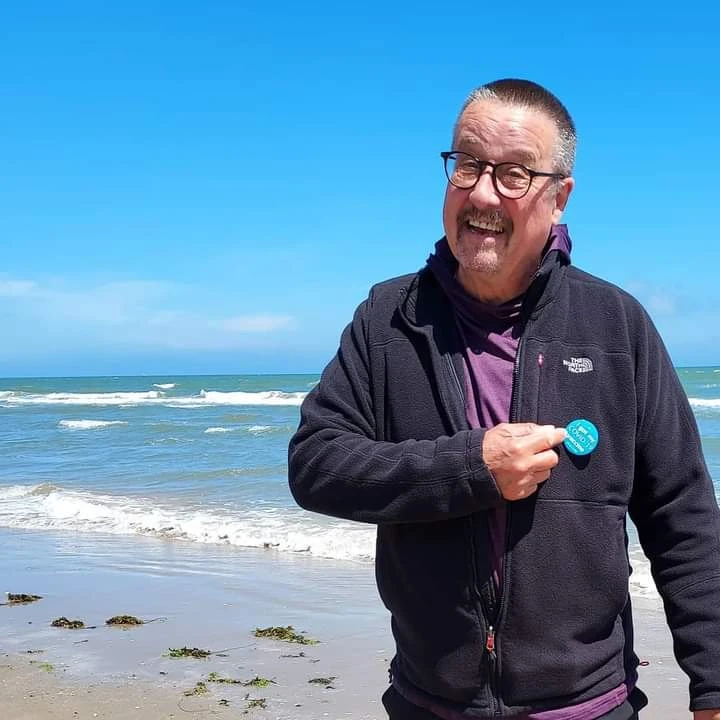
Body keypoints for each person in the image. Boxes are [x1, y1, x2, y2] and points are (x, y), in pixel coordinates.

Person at [287, 79, 720, 719]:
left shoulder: (615, 325)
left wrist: (713, 687)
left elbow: (682, 516)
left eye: (514, 174)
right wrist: (472, 468)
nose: (483, 193)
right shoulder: (389, 319)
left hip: (589, 704)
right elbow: (316, 465)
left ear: (559, 197)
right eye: (467, 164)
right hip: (429, 701)